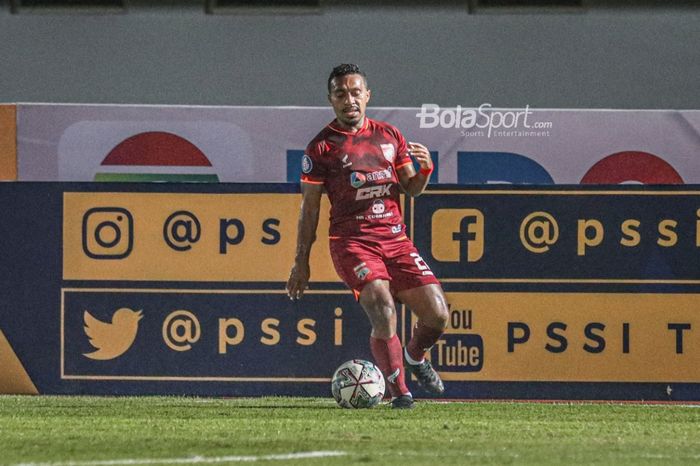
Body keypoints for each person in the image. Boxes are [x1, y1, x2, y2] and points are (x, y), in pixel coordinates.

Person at [286, 64, 449, 409]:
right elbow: (309, 208)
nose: (349, 99)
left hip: (395, 240)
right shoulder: (321, 149)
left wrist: (426, 169)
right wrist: (301, 262)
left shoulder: (389, 136)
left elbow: (411, 188)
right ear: (331, 100)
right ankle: (399, 391)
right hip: (352, 243)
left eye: (355, 92)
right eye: (341, 94)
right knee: (381, 304)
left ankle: (415, 356)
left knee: (437, 315)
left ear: (367, 95)